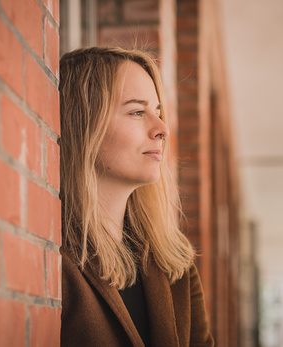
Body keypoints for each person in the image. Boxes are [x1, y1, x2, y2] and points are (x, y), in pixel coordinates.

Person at [58, 46, 215, 347]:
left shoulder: (175, 262)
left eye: (157, 112)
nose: (162, 129)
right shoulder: (52, 259)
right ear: (84, 124)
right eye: (137, 112)